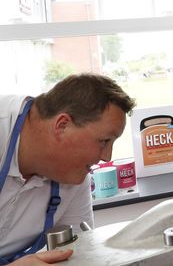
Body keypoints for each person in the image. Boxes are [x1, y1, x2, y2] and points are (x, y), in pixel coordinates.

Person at [0, 74, 135, 265]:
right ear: (62, 125)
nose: (107, 157)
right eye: (104, 141)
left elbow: (80, 256)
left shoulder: (73, 176)